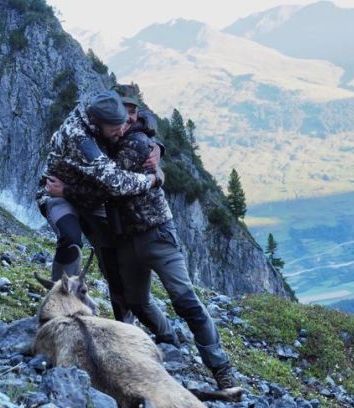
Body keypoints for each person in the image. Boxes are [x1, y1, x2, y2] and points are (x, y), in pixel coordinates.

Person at [46, 86, 238, 391]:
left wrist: (155, 164)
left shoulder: (134, 143)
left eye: (130, 115)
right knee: (133, 300)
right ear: (102, 121)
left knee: (184, 299)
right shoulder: (97, 140)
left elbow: (111, 185)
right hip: (124, 238)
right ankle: (166, 342)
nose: (126, 122)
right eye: (121, 118)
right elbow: (106, 179)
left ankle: (221, 369)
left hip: (155, 232)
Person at [36, 90, 164, 283]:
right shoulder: (79, 138)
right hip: (59, 193)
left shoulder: (103, 108)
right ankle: (60, 297)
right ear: (98, 121)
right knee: (71, 241)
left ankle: (125, 307)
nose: (122, 133)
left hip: (93, 198)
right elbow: (116, 183)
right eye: (115, 130)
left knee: (113, 255)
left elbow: (140, 118)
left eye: (124, 125)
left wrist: (156, 146)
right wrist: (153, 180)